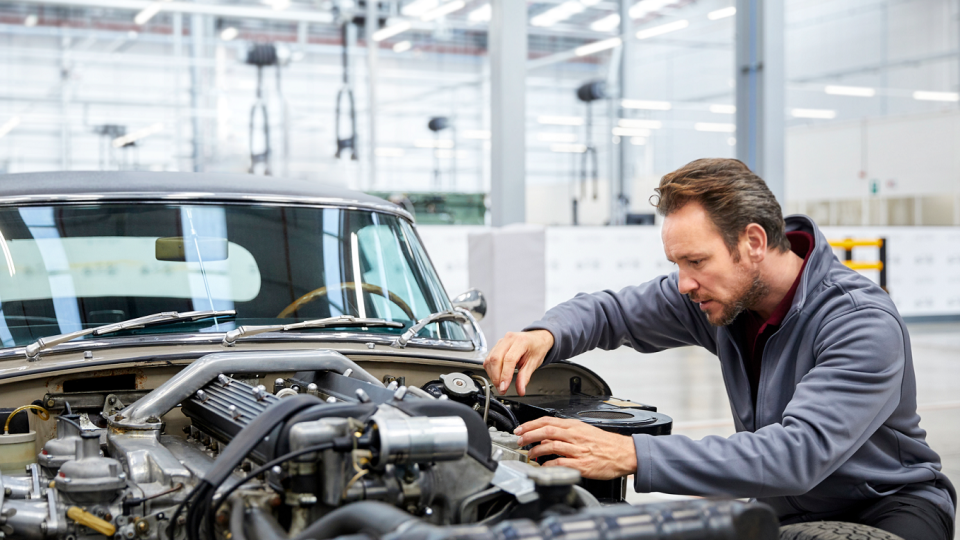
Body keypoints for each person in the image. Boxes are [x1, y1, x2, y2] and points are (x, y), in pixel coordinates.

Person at [482, 158, 956, 540]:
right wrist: (543, 334)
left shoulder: (859, 322)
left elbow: (798, 454)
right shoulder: (721, 298)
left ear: (752, 241)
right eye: (677, 264)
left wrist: (634, 454)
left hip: (888, 507)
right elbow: (612, 311)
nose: (684, 282)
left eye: (696, 261)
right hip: (781, 507)